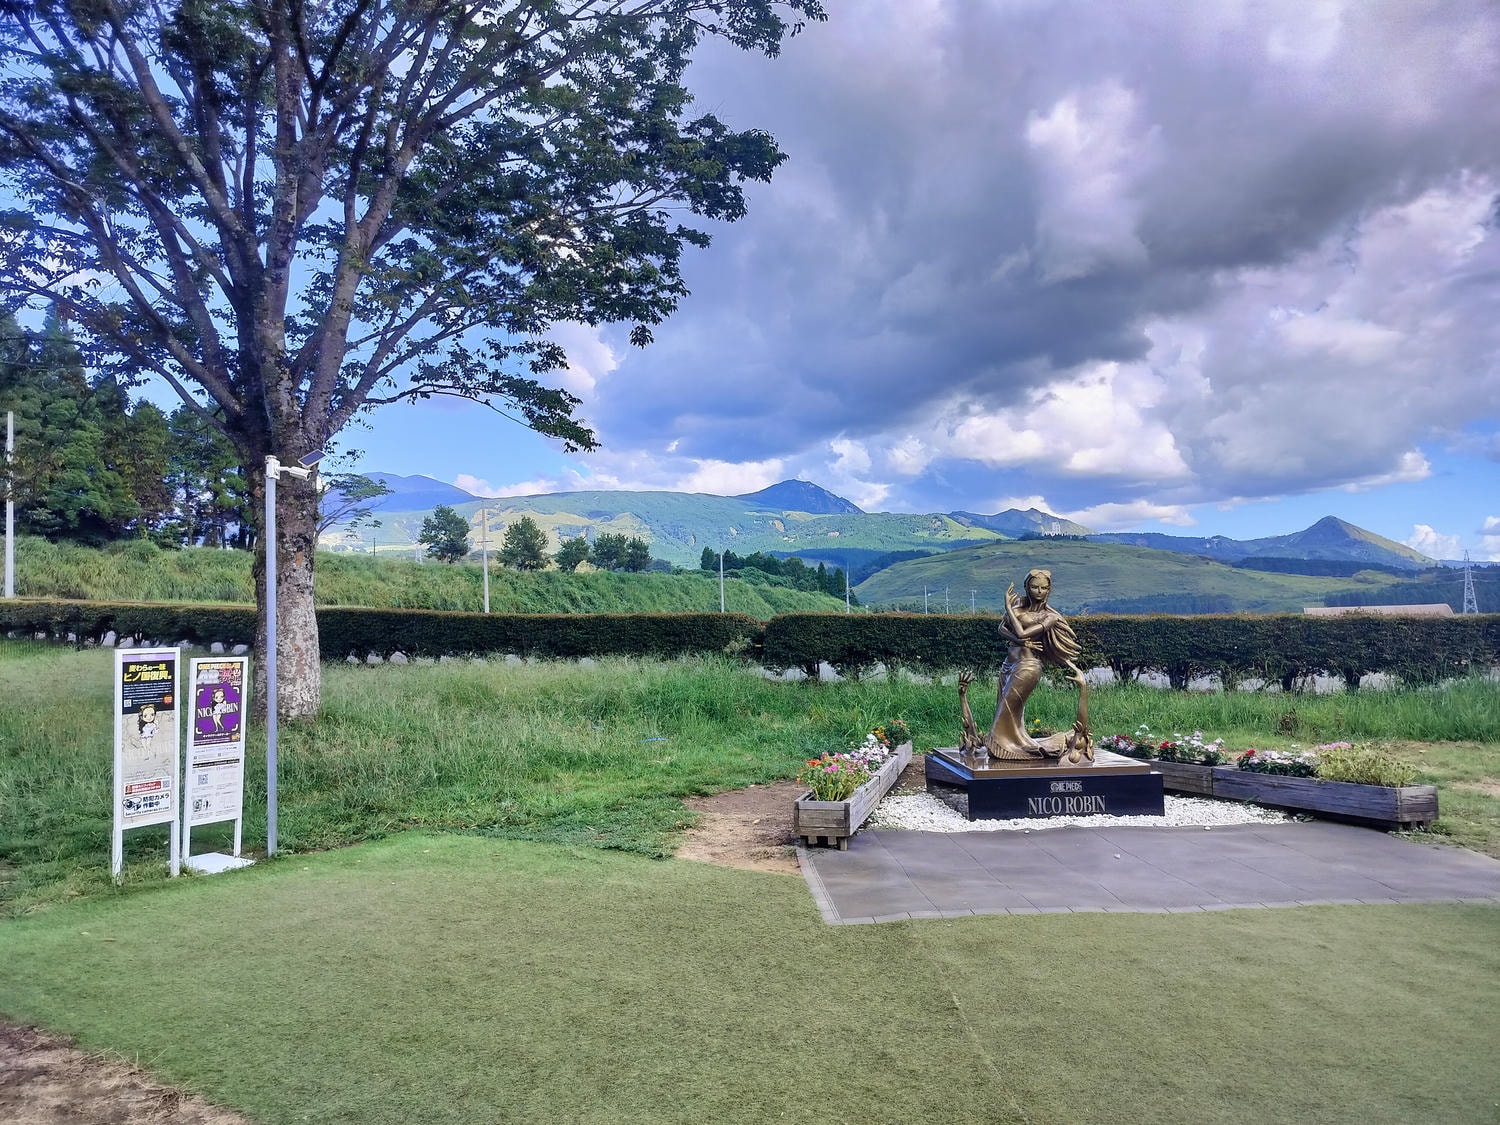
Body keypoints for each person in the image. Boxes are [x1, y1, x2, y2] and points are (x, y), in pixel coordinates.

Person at [983, 569, 1092, 761]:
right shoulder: (1020, 603)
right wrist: (1020, 642)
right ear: (1027, 587)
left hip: (1027, 667)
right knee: (1010, 714)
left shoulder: (1050, 617)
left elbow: (1022, 633)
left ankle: (1005, 748)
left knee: (1004, 715)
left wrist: (1008, 609)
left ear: (1049, 590)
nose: (1039, 591)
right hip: (1009, 664)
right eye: (1034, 587)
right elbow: (1002, 628)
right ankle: (1019, 745)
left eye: (1043, 588)